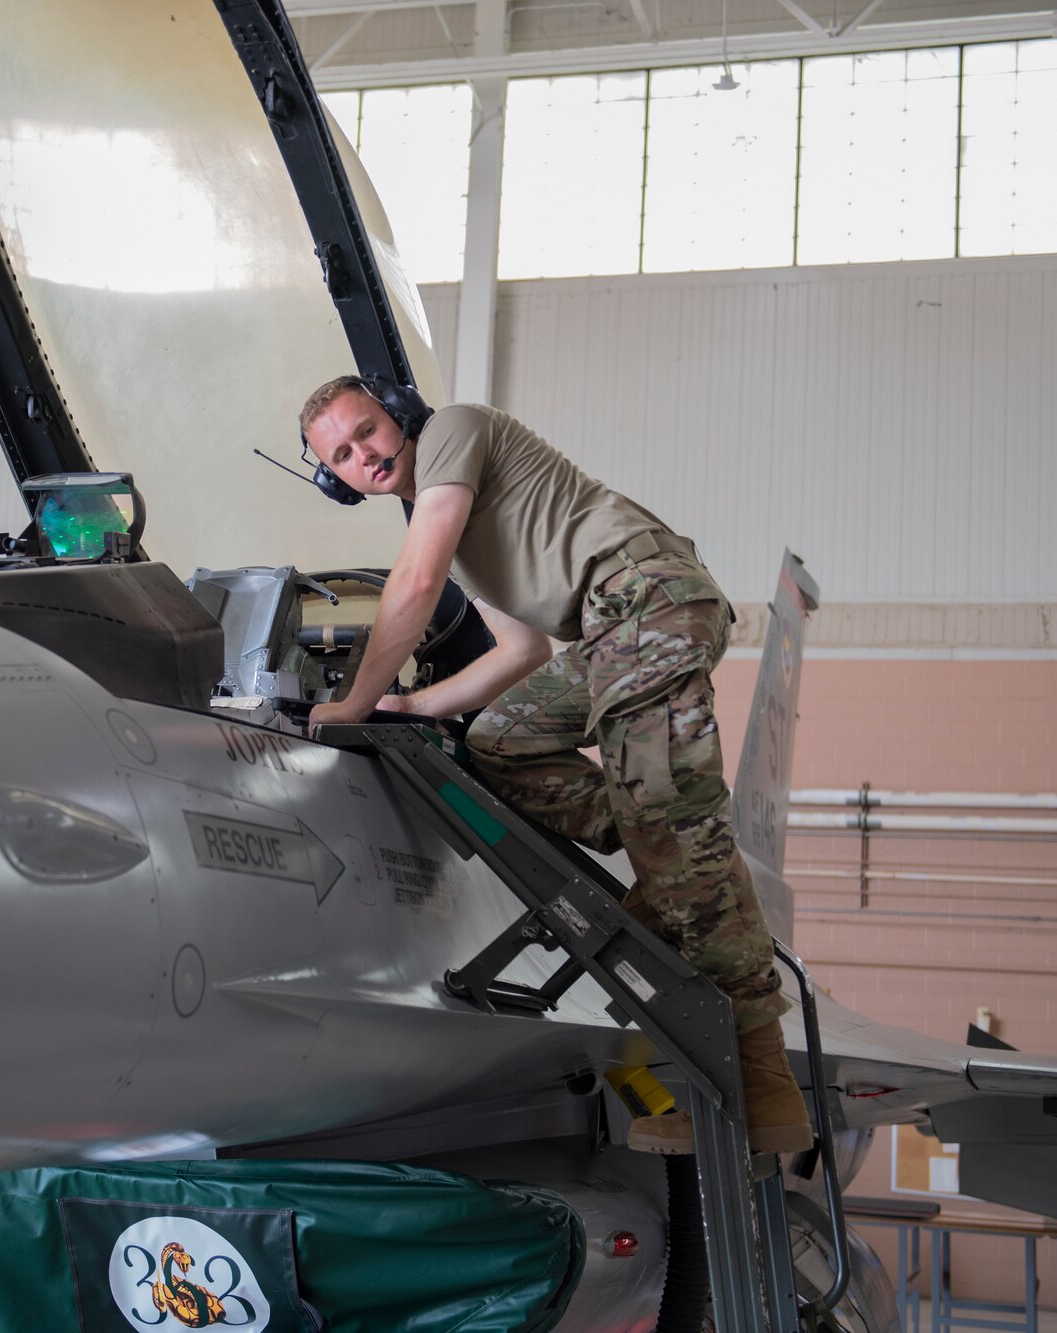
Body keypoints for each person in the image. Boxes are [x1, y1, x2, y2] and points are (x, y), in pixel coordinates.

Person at [299, 376, 810, 1155]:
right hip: (609, 634)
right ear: (332, 478)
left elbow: (415, 581)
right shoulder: (452, 515)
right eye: (341, 454)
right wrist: (415, 707)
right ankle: (668, 844)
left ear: (395, 415)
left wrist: (354, 699)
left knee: (674, 839)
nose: (362, 453)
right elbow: (524, 650)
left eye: (366, 430)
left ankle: (764, 1090)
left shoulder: (452, 435)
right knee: (501, 741)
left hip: (645, 602)